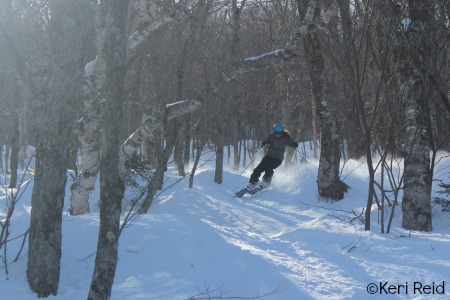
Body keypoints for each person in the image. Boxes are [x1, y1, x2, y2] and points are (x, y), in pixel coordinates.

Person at [247, 123, 298, 189]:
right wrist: (266, 142)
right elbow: (263, 144)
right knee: (258, 168)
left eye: (279, 133)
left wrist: (294, 144)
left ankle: (266, 180)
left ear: (282, 132)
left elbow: (291, 143)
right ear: (274, 131)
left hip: (277, 159)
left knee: (269, 166)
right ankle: (253, 181)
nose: (277, 135)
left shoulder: (286, 138)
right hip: (268, 156)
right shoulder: (270, 136)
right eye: (276, 133)